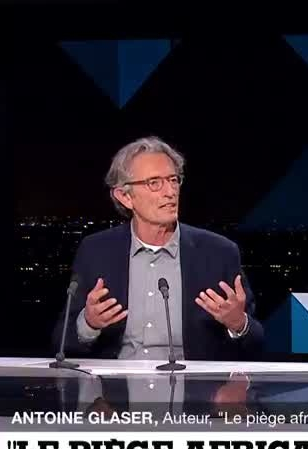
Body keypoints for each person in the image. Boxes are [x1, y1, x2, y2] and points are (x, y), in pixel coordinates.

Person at [52, 136, 265, 362]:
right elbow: (60, 342)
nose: (170, 192)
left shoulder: (219, 253)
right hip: (114, 384)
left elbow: (257, 342)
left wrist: (238, 323)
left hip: (192, 383)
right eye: (154, 183)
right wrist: (89, 324)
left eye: (173, 180)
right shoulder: (96, 251)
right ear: (124, 197)